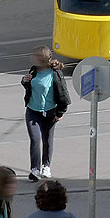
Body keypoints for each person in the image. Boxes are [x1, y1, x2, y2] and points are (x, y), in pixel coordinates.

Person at [22, 47, 71, 182]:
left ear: (42, 59)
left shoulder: (54, 73)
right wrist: (25, 81)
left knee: (47, 140)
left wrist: (60, 112)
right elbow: (29, 86)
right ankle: (35, 169)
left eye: (35, 57)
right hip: (33, 111)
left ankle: (46, 166)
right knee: (35, 139)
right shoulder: (34, 70)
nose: (32, 59)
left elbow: (63, 93)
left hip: (50, 111)